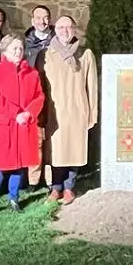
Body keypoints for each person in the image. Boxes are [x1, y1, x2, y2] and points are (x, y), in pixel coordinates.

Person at [37, 16, 98, 205]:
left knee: (74, 150)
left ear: (74, 30)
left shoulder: (85, 54)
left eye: (69, 27)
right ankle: (56, 188)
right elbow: (39, 86)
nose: (65, 30)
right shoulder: (45, 55)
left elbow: (92, 86)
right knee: (55, 152)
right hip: (54, 112)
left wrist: (92, 113)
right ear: (56, 29)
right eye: (61, 27)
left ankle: (70, 187)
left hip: (77, 110)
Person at [0, 35, 45, 216]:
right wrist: (15, 112)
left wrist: (28, 113)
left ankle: (13, 197)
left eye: (20, 48)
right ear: (5, 52)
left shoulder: (32, 73)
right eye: (13, 49)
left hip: (23, 125)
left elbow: (39, 97)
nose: (18, 52)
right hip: (2, 125)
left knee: (19, 164)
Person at [24, 5, 53, 189]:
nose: (42, 21)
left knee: (51, 138)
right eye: (38, 17)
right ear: (32, 20)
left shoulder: (57, 40)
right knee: (35, 140)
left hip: (54, 95)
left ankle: (51, 179)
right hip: (33, 97)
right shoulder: (25, 44)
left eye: (46, 17)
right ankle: (33, 179)